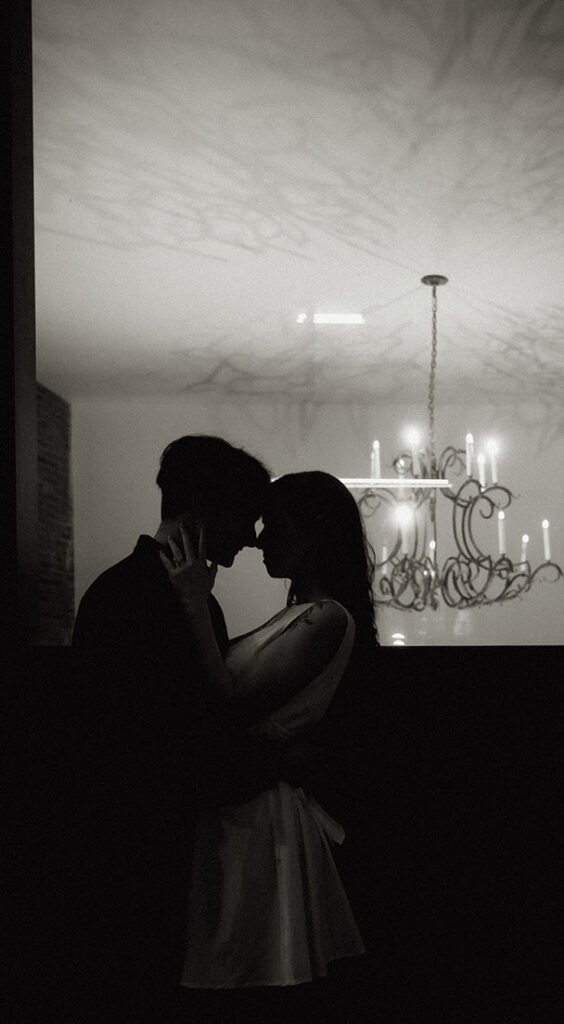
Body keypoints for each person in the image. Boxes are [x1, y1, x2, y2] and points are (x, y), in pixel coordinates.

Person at [68, 436, 325, 1023]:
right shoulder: (135, 599)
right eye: (246, 516)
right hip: (139, 856)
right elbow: (168, 745)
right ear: (204, 509)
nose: (252, 535)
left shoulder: (174, 598)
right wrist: (277, 763)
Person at [159, 471, 380, 1015]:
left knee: (248, 972)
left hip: (261, 823)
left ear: (311, 533)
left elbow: (233, 700)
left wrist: (193, 601)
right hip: (243, 808)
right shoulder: (294, 616)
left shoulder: (327, 618)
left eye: (272, 525)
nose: (257, 539)